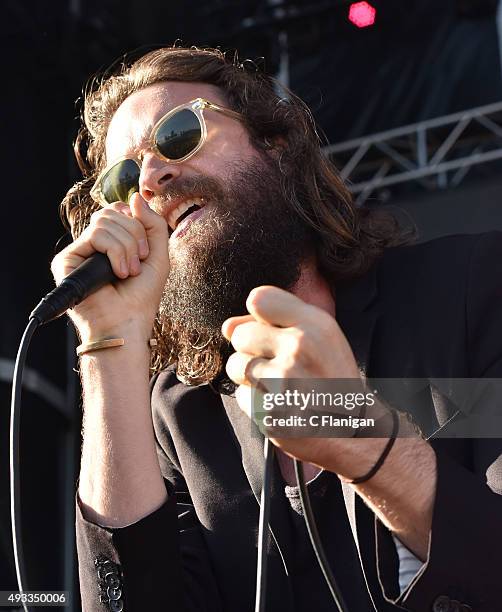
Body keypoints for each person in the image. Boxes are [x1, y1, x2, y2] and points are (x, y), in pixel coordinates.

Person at [51, 46, 502, 612]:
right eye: (121, 181)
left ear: (276, 145)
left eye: (178, 134)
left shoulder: (472, 288)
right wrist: (107, 345)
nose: (151, 178)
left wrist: (364, 442)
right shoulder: (178, 419)